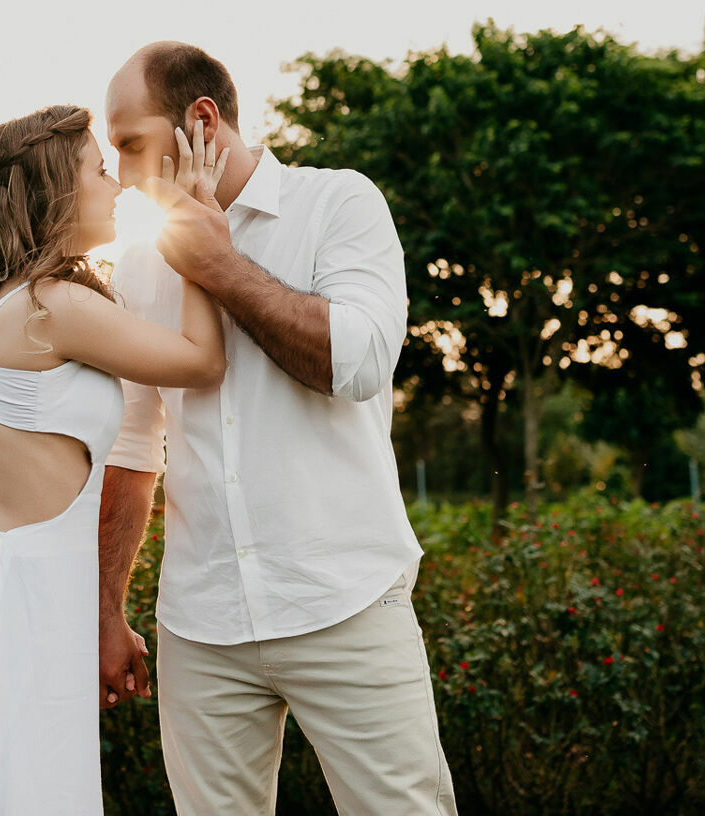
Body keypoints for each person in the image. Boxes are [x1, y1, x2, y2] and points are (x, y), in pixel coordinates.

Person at [98, 42, 459, 815]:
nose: (123, 175)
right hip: (201, 622)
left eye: (131, 144)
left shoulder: (339, 205)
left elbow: (358, 363)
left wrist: (218, 266)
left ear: (202, 120)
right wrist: (107, 610)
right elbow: (133, 443)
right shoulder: (135, 268)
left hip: (347, 599)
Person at [0, 103, 228, 815]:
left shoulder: (29, 302)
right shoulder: (50, 307)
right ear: (58, 191)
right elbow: (202, 361)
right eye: (100, 171)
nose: (118, 186)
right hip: (16, 605)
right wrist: (200, 227)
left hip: (16, 593)